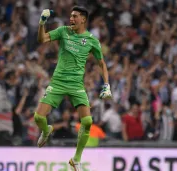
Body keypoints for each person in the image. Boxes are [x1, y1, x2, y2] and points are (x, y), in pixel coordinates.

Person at [34, 6, 112, 170]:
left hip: (76, 84)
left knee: (88, 121)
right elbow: (42, 39)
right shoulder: (63, 31)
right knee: (38, 118)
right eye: (70, 16)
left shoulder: (91, 40)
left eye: (75, 16)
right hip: (58, 82)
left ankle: (76, 159)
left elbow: (101, 63)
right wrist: (42, 23)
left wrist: (106, 85)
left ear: (83, 19)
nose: (71, 19)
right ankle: (46, 130)